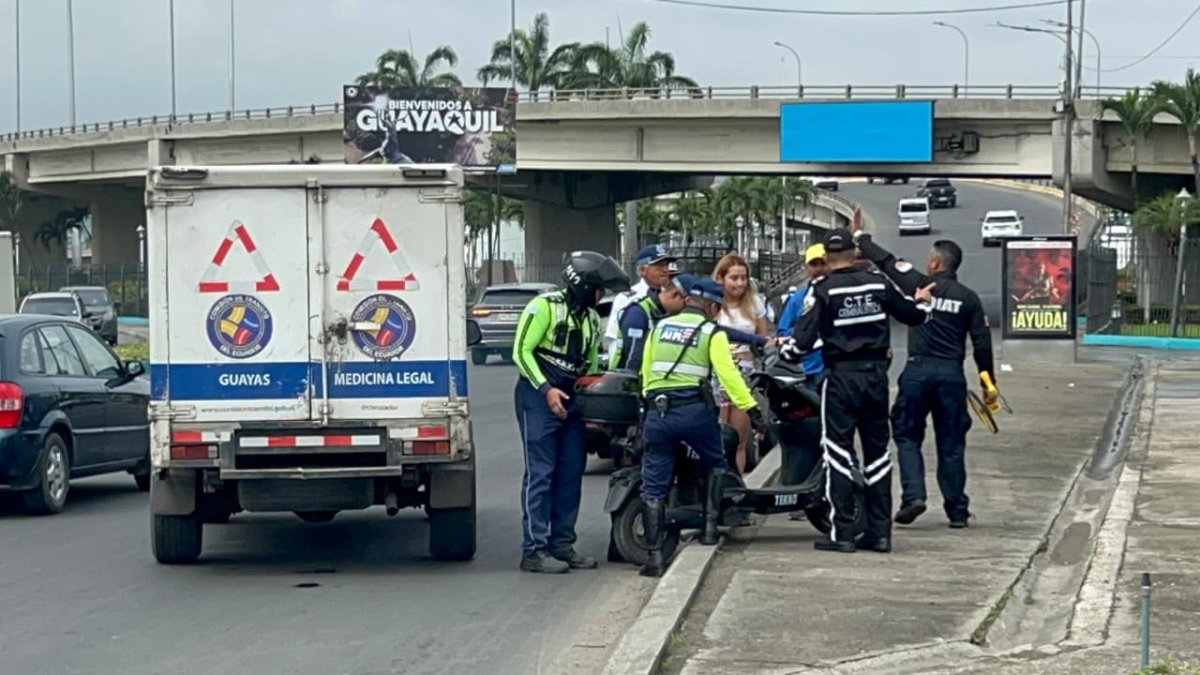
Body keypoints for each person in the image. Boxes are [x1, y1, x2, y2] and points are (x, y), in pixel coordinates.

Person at [784, 228, 934, 554]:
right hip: (876, 378)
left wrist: (784, 350)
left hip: (840, 379)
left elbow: (798, 345)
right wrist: (923, 301)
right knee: (878, 454)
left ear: (826, 258)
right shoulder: (877, 283)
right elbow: (915, 316)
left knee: (837, 453)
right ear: (855, 253)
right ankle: (880, 533)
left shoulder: (822, 290)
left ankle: (843, 533)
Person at [852, 228, 997, 529]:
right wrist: (988, 385)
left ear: (935, 262)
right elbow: (982, 344)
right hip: (951, 375)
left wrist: (862, 239)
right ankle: (957, 512)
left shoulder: (919, 283)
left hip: (917, 372)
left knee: (906, 435)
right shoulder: (969, 299)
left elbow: (888, 262)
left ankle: (913, 496)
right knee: (951, 443)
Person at [638, 277, 768, 577]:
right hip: (695, 413)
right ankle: (709, 529)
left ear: (688, 301)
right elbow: (729, 376)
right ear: (712, 307)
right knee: (715, 462)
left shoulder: (658, 328)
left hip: (658, 414)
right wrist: (752, 410)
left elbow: (645, 375)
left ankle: (655, 557)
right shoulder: (712, 332)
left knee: (653, 484)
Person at [512, 250, 631, 574]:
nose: (601, 296)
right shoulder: (543, 307)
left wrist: (595, 398)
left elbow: (590, 365)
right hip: (537, 396)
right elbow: (521, 352)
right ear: (584, 286)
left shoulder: (591, 319)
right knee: (541, 473)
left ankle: (562, 544)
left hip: (573, 399)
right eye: (599, 289)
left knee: (570, 474)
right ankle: (533, 550)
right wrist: (546, 389)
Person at [711, 254, 770, 473]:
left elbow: (763, 339)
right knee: (717, 436)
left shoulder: (754, 303)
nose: (740, 283)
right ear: (721, 278)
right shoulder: (713, 304)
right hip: (717, 376)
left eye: (743, 278)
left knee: (739, 437)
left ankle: (736, 482)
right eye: (734, 278)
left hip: (745, 375)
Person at [603, 244, 677, 356]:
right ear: (642, 270)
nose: (665, 270)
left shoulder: (673, 296)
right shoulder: (626, 298)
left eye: (666, 265)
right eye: (659, 266)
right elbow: (614, 340)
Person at [608, 270, 689, 372]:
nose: (685, 309)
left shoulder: (664, 314)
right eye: (685, 304)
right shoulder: (637, 313)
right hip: (625, 378)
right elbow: (632, 359)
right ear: (675, 295)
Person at [776, 243, 830, 384]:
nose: (819, 269)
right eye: (814, 264)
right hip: (806, 370)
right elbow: (782, 332)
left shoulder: (837, 295)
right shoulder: (797, 299)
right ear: (807, 268)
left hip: (832, 368)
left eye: (823, 263)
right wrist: (804, 332)